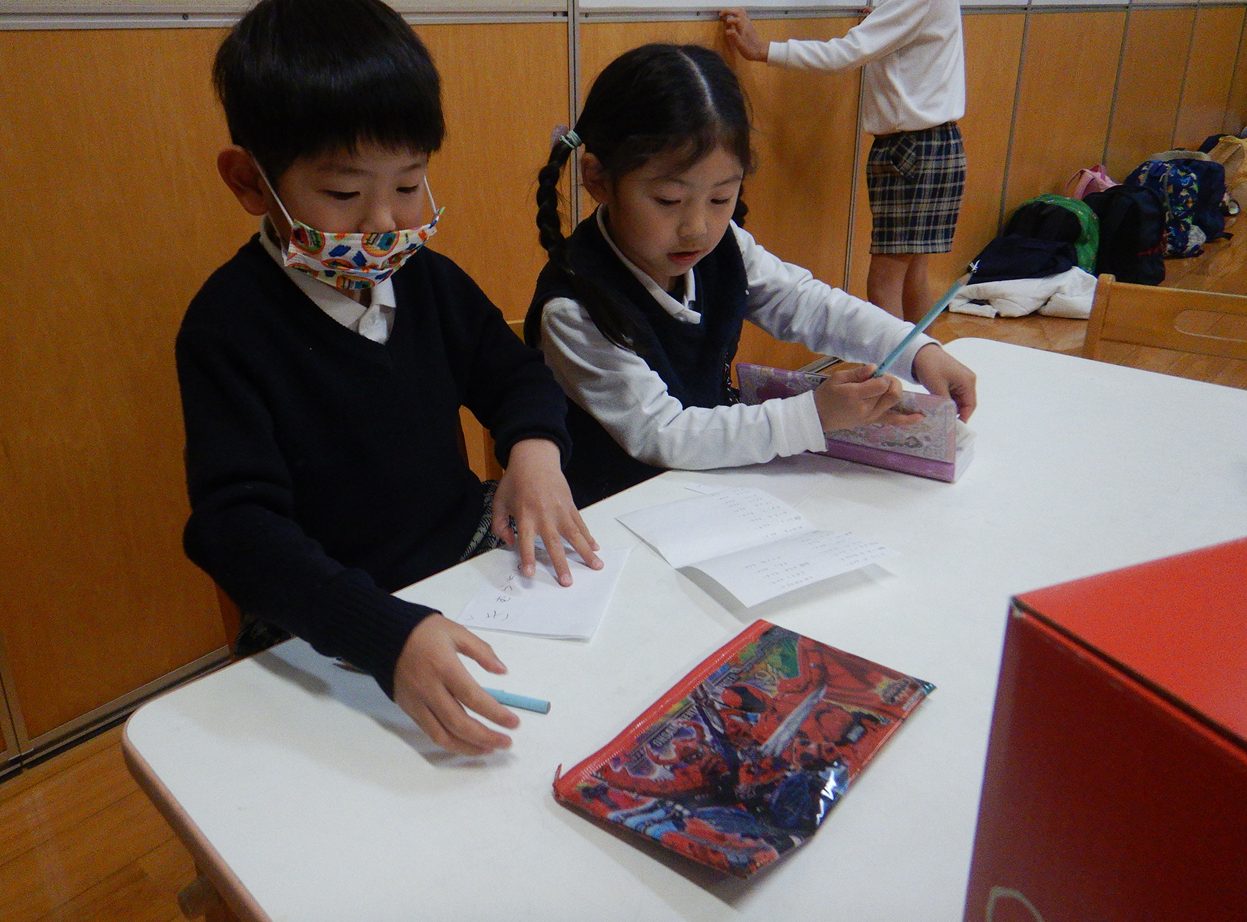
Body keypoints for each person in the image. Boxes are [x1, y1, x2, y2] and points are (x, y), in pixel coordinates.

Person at [177, 0, 600, 756]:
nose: (384, 223)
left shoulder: (427, 280)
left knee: (582, 698)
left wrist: (534, 448)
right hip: (326, 606)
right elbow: (236, 529)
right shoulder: (228, 326)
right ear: (249, 182)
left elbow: (515, 375)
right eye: (344, 195)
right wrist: (382, 634)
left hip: (462, 554)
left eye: (408, 186)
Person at [527, 43, 975, 507]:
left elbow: (806, 304)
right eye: (668, 201)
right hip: (615, 513)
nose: (697, 228)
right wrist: (813, 416)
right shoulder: (574, 310)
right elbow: (664, 433)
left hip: (713, 491)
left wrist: (915, 349)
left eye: (720, 199)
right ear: (598, 180)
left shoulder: (724, 248)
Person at [721, 2, 967, 322]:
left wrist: (762, 49)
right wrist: (881, 21)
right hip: (936, 144)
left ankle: (894, 358)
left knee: (885, 281)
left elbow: (846, 53)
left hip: (912, 150)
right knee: (912, 273)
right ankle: (921, 356)